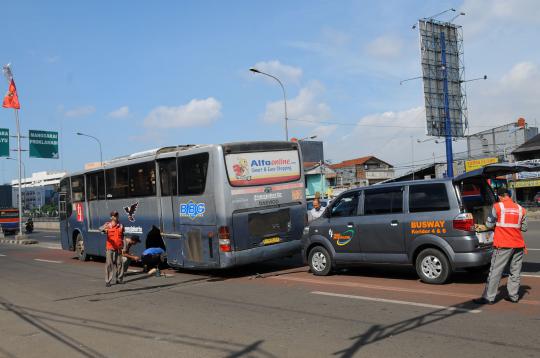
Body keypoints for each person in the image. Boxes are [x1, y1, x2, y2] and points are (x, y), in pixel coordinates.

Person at [473, 188, 528, 305]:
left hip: (503, 244)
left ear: (500, 196)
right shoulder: (521, 209)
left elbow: (488, 224)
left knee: (495, 271)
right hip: (518, 245)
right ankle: (513, 296)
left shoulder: (498, 207)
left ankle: (488, 297)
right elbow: (524, 228)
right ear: (509, 196)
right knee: (515, 271)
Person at [100, 211, 124, 287]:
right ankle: (108, 281)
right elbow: (100, 229)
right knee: (109, 264)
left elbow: (122, 236)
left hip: (118, 248)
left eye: (117, 215)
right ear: (111, 217)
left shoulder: (121, 226)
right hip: (110, 247)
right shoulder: (108, 225)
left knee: (120, 263)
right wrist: (104, 229)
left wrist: (122, 246)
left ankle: (119, 279)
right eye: (114, 215)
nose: (115, 217)